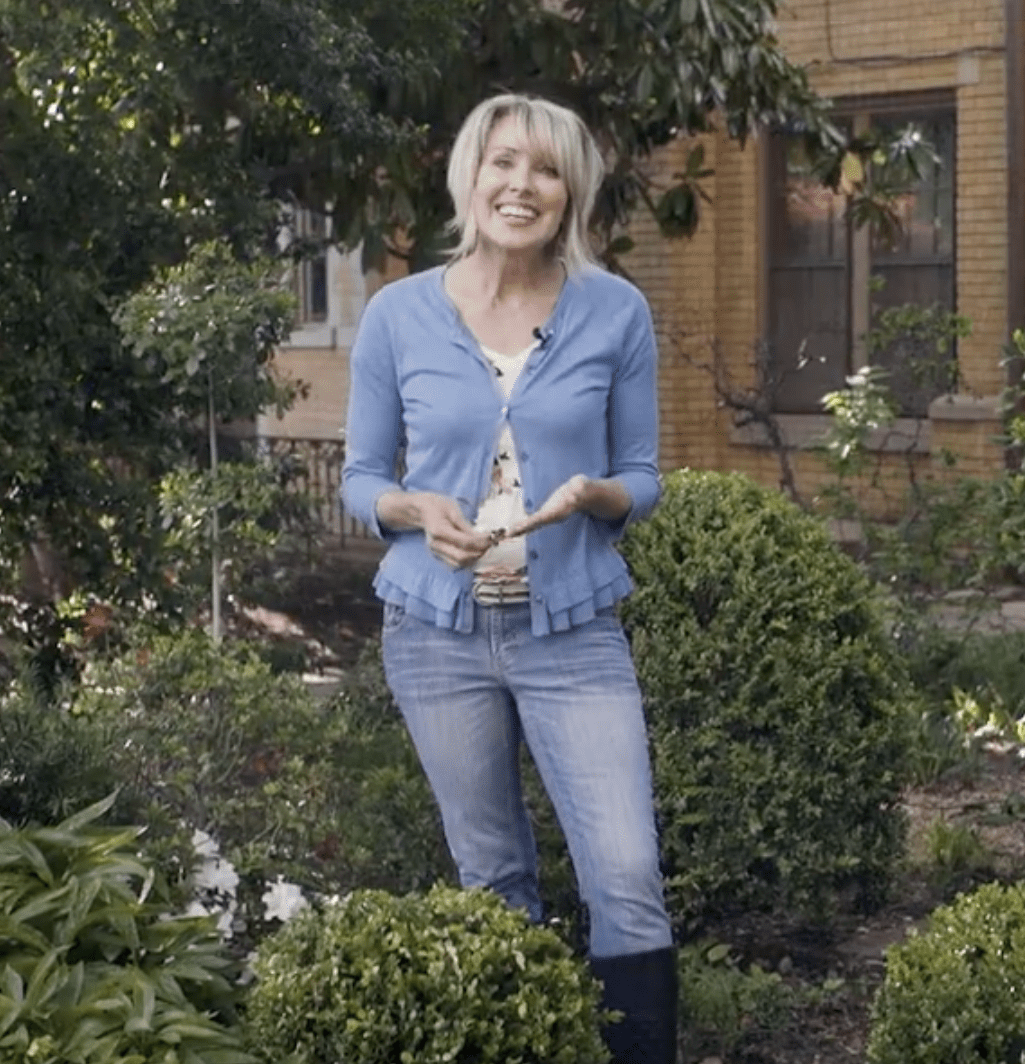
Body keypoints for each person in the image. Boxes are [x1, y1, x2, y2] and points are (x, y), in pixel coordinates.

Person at [339, 92, 675, 1064]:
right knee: (492, 876)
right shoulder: (399, 314)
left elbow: (644, 476)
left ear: (571, 192)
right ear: (470, 177)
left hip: (573, 631)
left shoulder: (616, 310)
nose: (520, 185)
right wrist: (411, 509)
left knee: (627, 873)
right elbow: (363, 477)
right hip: (435, 636)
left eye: (545, 168)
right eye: (503, 163)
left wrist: (596, 491)